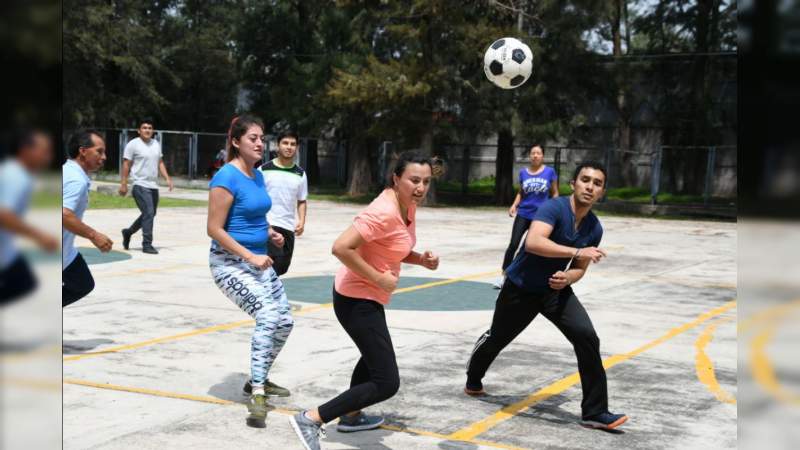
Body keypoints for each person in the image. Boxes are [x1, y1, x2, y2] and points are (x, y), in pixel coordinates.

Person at [290, 151, 440, 450]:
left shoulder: (406, 205)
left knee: (372, 357)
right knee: (386, 381)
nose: (420, 188)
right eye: (413, 180)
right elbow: (341, 247)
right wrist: (378, 278)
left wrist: (419, 259)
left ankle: (351, 415)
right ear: (396, 178)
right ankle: (312, 418)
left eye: (425, 181)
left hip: (368, 296)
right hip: (355, 298)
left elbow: (392, 247)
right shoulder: (382, 211)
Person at [465, 161, 628, 431]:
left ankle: (595, 412)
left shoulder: (594, 228)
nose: (590, 186)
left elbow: (579, 270)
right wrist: (576, 252)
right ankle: (474, 375)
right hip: (520, 288)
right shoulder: (553, 207)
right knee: (498, 337)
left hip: (554, 291)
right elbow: (534, 242)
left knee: (587, 337)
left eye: (597, 183)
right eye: (585, 180)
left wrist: (567, 277)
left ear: (602, 192)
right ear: (573, 184)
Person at [206, 114, 293, 429]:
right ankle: (257, 394)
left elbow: (252, 214)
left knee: (285, 322)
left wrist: (270, 233)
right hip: (230, 264)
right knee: (268, 316)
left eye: (262, 137)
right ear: (235, 141)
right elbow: (214, 229)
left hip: (258, 260)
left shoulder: (257, 175)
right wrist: (250, 256)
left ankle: (259, 378)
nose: (260, 143)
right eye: (253, 138)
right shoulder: (225, 177)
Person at [0, 130, 58, 306]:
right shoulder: (16, 177)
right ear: (25, 150)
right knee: (23, 282)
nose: (48, 157)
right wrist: (40, 236)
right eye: (44, 151)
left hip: (7, 252)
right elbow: (3, 214)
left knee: (25, 282)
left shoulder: (14, 172)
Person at [494, 145, 558, 289]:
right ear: (530, 156)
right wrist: (514, 205)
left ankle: (525, 276)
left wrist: (554, 209)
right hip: (523, 213)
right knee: (513, 244)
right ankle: (504, 275)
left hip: (541, 217)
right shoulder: (523, 173)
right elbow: (521, 193)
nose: (535, 155)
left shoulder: (550, 172)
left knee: (531, 248)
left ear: (542, 156)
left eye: (538, 153)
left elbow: (554, 193)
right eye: (533, 153)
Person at [63, 130, 114, 307]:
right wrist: (94, 235)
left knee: (82, 283)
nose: (104, 157)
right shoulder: (76, 180)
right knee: (81, 284)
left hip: (64, 252)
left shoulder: (67, 171)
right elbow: (64, 214)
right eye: (99, 151)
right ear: (83, 151)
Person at [119, 118, 173, 254]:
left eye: (149, 128)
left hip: (153, 185)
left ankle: (128, 232)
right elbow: (126, 164)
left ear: (152, 130)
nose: (147, 130)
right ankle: (147, 244)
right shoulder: (133, 144)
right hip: (139, 184)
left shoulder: (156, 143)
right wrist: (124, 184)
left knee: (150, 213)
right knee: (149, 212)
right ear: (139, 130)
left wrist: (167, 178)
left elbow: (160, 162)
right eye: (144, 127)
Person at [259, 131, 308, 276]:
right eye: (285, 143)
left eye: (293, 144)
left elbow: (302, 200)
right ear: (278, 146)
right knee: (268, 271)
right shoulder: (263, 170)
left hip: (288, 227)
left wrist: (302, 221)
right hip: (268, 226)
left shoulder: (300, 174)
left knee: (281, 269)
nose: (289, 147)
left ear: (297, 148)